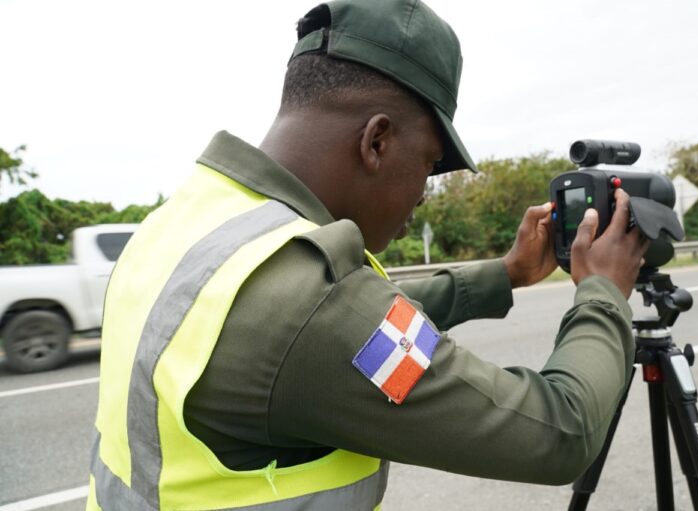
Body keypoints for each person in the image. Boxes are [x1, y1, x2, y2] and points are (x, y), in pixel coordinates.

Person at [87, 1, 648, 509]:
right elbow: (561, 432)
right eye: (429, 165)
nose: (423, 194)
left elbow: (343, 320)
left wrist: (506, 273)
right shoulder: (314, 308)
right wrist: (603, 290)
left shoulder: (186, 222)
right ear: (376, 141)